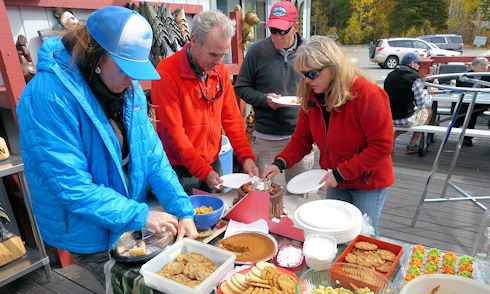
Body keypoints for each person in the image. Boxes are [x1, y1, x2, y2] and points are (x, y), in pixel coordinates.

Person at [16, 6, 197, 294]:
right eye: (126, 70)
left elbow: (154, 156)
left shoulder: (125, 89)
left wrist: (182, 208)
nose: (133, 81)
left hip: (122, 216)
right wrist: (141, 213)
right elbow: (72, 187)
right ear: (98, 57)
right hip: (84, 223)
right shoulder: (46, 96)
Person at [262, 36, 394, 235]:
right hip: (335, 178)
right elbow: (301, 140)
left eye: (312, 74)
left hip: (368, 181)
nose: (307, 80)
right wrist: (279, 163)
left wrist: (340, 173)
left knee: (363, 235)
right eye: (304, 74)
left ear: (333, 67)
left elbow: (381, 146)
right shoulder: (312, 97)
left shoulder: (368, 95)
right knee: (334, 232)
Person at [152, 10, 258, 195]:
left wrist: (245, 157)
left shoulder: (220, 72)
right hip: (178, 168)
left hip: (211, 162)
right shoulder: (166, 73)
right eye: (213, 55)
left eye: (223, 55)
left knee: (218, 219)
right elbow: (174, 133)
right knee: (183, 220)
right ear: (193, 40)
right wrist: (202, 170)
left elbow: (232, 119)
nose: (218, 62)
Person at [234, 1, 314, 182]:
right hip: (265, 139)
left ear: (296, 27)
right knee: (262, 194)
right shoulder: (256, 52)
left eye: (282, 31)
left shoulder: (309, 52)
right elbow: (241, 87)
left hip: (301, 138)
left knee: (298, 196)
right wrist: (264, 99)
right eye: (273, 30)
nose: (276, 36)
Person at [384, 53, 433, 153]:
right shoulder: (414, 78)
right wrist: (428, 98)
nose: (418, 66)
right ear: (411, 63)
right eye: (417, 63)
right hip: (405, 118)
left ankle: (392, 139)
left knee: (410, 117)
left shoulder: (390, 75)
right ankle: (412, 144)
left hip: (389, 117)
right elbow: (421, 104)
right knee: (428, 112)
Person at [453, 57, 490, 146]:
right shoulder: (464, 76)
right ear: (475, 67)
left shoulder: (487, 77)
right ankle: (467, 137)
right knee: (469, 110)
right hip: (465, 102)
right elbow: (459, 90)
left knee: (471, 110)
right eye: (483, 67)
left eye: (486, 67)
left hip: (481, 103)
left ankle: (459, 125)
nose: (486, 69)